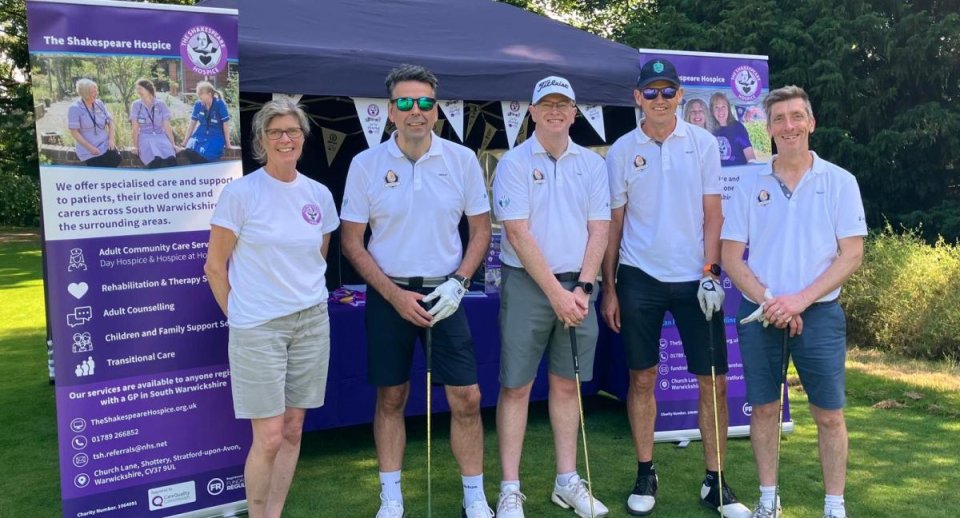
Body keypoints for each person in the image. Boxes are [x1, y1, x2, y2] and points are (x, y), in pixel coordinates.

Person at [340, 64, 493, 518]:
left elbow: (481, 230)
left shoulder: (461, 159)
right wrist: (393, 296)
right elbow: (352, 241)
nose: (416, 111)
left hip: (447, 293)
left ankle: (474, 494)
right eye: (405, 103)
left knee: (467, 397)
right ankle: (391, 495)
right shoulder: (364, 164)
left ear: (436, 110)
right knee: (391, 397)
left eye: (425, 103)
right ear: (390, 111)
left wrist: (460, 282)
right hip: (390, 296)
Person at [601, 58, 751, 517]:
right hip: (639, 277)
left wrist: (710, 271)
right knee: (641, 378)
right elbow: (614, 224)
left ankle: (716, 479)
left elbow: (714, 215)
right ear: (637, 98)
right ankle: (646, 471)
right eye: (652, 92)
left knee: (715, 382)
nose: (660, 99)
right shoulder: (621, 151)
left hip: (695, 278)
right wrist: (609, 288)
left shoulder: (703, 144)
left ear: (681, 96)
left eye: (668, 92)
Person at [721, 85, 866, 518]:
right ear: (768, 130)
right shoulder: (750, 184)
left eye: (796, 117)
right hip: (760, 312)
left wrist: (799, 301)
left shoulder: (840, 181)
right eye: (779, 119)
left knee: (829, 414)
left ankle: (834, 506)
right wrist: (772, 303)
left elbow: (852, 254)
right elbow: (730, 256)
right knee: (763, 408)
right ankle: (768, 500)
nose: (788, 126)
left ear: (811, 123)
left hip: (818, 313)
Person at [205, 100, 340, 518]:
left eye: (293, 131)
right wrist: (241, 317)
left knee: (294, 430)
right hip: (258, 327)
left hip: (311, 322)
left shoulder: (318, 194)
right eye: (276, 132)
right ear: (261, 140)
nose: (286, 139)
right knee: (268, 437)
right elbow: (214, 267)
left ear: (303, 138)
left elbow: (317, 257)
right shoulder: (242, 193)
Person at [493, 75, 610, 518]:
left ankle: (566, 481)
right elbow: (518, 234)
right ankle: (509, 488)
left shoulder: (592, 164)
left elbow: (600, 228)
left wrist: (581, 287)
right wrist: (558, 294)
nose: (556, 111)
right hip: (529, 284)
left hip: (578, 285)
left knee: (566, 386)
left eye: (564, 104)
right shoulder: (515, 162)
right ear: (533, 111)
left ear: (575, 113)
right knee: (517, 386)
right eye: (548, 104)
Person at [66, 78, 121, 167]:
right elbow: (74, 132)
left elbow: (110, 121)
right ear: (84, 93)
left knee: (116, 161)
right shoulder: (74, 108)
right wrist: (90, 148)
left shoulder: (99, 103)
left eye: (96, 91)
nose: (96, 94)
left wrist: (111, 139)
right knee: (99, 174)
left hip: (105, 145)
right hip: (90, 150)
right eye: (93, 92)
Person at [129, 78, 179, 169]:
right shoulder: (136, 105)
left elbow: (167, 126)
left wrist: (173, 144)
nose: (138, 91)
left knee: (171, 159)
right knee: (155, 160)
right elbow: (135, 128)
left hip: (160, 136)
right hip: (145, 137)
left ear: (148, 89)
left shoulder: (161, 104)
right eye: (137, 89)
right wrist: (135, 146)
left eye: (140, 88)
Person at [181, 81, 234, 163]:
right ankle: (200, 169)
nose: (199, 98)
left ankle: (203, 171)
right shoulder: (198, 104)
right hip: (200, 134)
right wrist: (185, 141)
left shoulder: (220, 104)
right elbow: (192, 124)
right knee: (189, 150)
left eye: (201, 95)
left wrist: (228, 143)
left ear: (209, 94)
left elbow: (225, 124)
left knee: (207, 155)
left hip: (215, 135)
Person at [709, 92, 757, 167]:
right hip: (719, 177)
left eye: (723, 107)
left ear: (728, 109)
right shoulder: (709, 130)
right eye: (716, 107)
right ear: (712, 111)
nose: (720, 111)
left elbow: (750, 157)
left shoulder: (738, 127)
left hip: (739, 175)